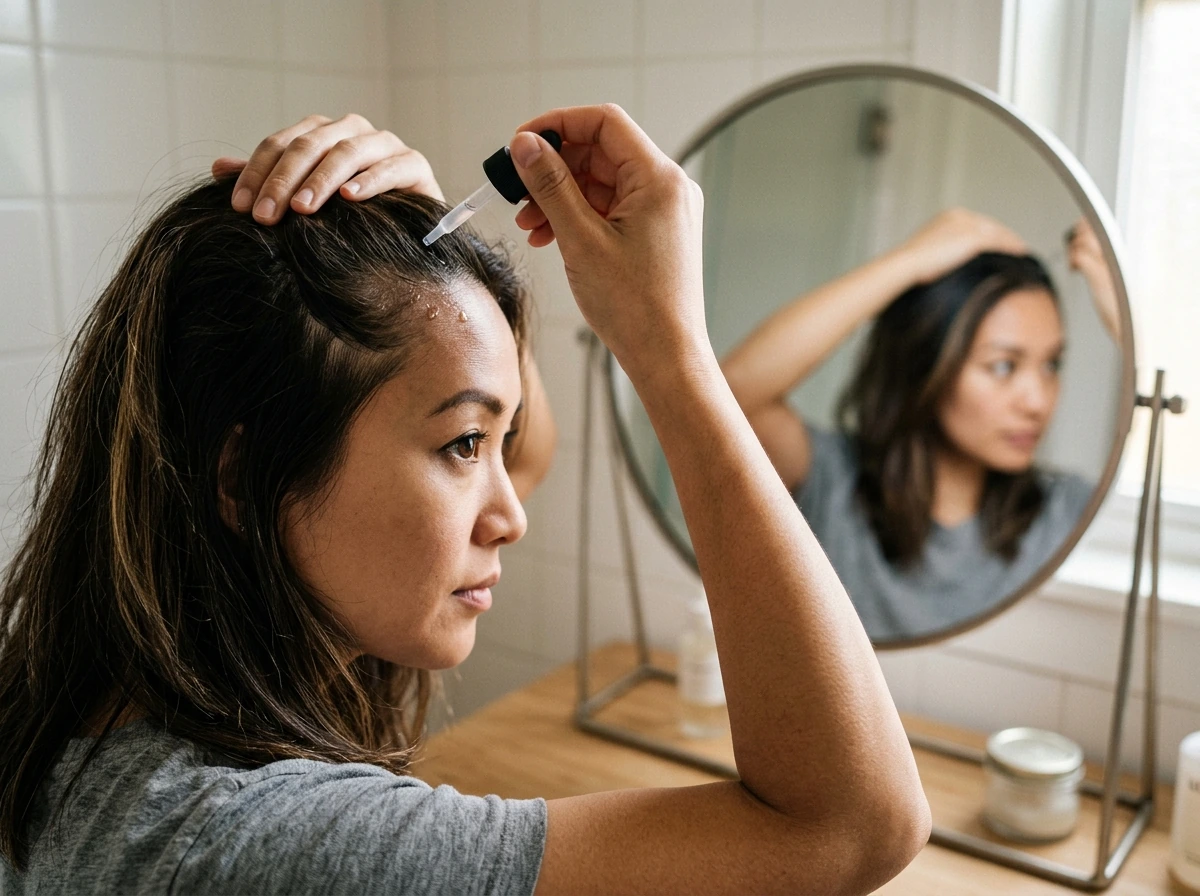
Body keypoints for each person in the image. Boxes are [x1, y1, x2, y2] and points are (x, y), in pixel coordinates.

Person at [0, 107, 929, 895]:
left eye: (491, 438)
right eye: (462, 445)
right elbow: (854, 825)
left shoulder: (71, 715)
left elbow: (530, 451)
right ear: (242, 479)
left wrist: (437, 252)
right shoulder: (259, 842)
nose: (510, 514)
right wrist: (667, 345)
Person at [722, 209, 1117, 640]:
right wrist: (908, 261)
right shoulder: (832, 481)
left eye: (1051, 364)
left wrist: (1127, 325)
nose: (1038, 402)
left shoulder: (1066, 514)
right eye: (1003, 366)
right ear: (925, 364)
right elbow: (727, 396)